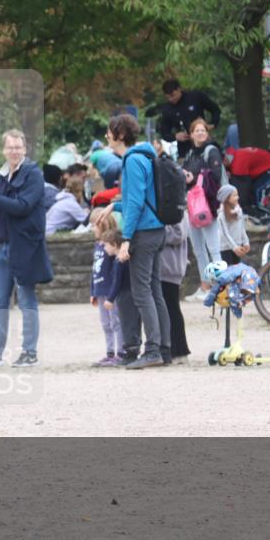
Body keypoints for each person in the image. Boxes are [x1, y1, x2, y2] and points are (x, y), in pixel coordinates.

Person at [0, 129, 53, 368]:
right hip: (2, 247)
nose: (14, 151)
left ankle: (29, 352)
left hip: (25, 247)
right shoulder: (1, 175)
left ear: (25, 149)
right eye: (10, 147)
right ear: (4, 150)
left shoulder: (33, 174)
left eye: (18, 147)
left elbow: (23, 206)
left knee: (27, 300)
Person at [114, 113, 170, 369]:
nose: (106, 137)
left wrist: (126, 238)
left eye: (109, 133)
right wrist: (113, 205)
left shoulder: (133, 161)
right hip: (156, 229)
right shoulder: (146, 155)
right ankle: (164, 349)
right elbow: (142, 197)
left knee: (142, 292)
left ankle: (153, 350)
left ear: (120, 135)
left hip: (143, 233)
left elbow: (136, 202)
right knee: (155, 290)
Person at [181, 118, 224, 300]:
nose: (200, 133)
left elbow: (215, 175)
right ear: (191, 134)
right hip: (192, 205)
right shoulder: (190, 154)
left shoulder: (211, 151)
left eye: (203, 130)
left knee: (213, 247)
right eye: (196, 130)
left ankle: (221, 286)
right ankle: (206, 286)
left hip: (207, 205)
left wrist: (194, 178)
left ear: (207, 133)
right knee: (198, 249)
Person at [89, 210, 122, 367]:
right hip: (100, 291)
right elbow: (94, 270)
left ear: (102, 225)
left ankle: (120, 352)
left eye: (93, 225)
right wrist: (92, 292)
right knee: (105, 323)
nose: (92, 229)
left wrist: (112, 295)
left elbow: (115, 272)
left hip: (110, 292)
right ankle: (110, 352)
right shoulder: (97, 246)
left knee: (116, 321)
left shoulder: (111, 247)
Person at [157, 79, 221, 159]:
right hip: (185, 149)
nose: (171, 99)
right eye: (168, 97)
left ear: (179, 89)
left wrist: (213, 124)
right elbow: (164, 132)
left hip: (203, 143)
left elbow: (215, 110)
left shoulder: (195, 97)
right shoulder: (167, 109)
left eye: (173, 95)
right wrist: (175, 136)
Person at [159, 215, 191, 363]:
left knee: (172, 309)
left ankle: (179, 351)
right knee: (167, 309)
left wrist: (155, 232)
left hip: (170, 267)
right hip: (164, 267)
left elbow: (178, 235)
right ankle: (170, 349)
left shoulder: (176, 211)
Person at [216, 184, 250, 265]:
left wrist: (246, 242)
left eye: (237, 195)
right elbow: (224, 233)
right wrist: (234, 247)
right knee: (229, 272)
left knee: (237, 269)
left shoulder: (238, 211)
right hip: (225, 248)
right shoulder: (221, 214)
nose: (237, 197)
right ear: (227, 198)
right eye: (234, 195)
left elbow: (242, 228)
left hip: (237, 245)